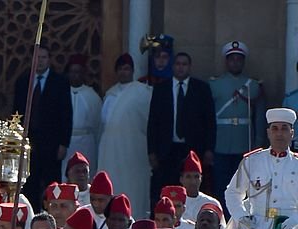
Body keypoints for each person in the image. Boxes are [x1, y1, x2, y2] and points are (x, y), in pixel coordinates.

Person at [147, 52, 216, 207]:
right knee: (165, 187)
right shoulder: (161, 89)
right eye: (178, 64)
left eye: (184, 64)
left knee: (191, 188)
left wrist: (209, 149)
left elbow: (209, 121)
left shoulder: (201, 89)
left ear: (189, 67)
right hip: (167, 148)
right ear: (173, 66)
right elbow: (153, 122)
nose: (180, 67)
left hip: (192, 148)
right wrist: (151, 151)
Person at [224, 108, 298, 229]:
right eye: (275, 129)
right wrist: (241, 217)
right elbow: (232, 193)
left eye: (284, 129)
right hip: (256, 226)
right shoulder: (252, 161)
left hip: (290, 227)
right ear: (268, 133)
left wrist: (296, 219)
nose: (279, 133)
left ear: (292, 133)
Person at [13, 43, 72, 208]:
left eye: (43, 58)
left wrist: (64, 143)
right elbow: (17, 112)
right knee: (30, 183)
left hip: (52, 143)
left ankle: (54, 213)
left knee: (51, 183)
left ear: (49, 60)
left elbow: (66, 114)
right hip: (29, 143)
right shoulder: (23, 81)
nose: (40, 61)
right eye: (37, 58)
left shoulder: (60, 82)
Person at [210, 41, 266, 213]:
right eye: (232, 59)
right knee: (221, 184)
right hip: (221, 141)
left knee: (245, 185)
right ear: (226, 62)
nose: (235, 62)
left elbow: (259, 117)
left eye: (239, 59)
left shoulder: (253, 85)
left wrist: (257, 143)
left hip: (244, 142)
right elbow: (208, 117)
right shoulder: (214, 84)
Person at [98, 54, 152, 218]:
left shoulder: (143, 91)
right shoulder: (110, 93)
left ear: (132, 71)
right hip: (109, 152)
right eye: (121, 69)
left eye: (127, 68)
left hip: (133, 151)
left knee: (132, 188)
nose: (124, 72)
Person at [62, 54, 102, 176]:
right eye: (73, 72)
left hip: (86, 142)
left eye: (78, 72)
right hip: (66, 142)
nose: (75, 75)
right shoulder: (61, 92)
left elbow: (98, 123)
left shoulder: (92, 95)